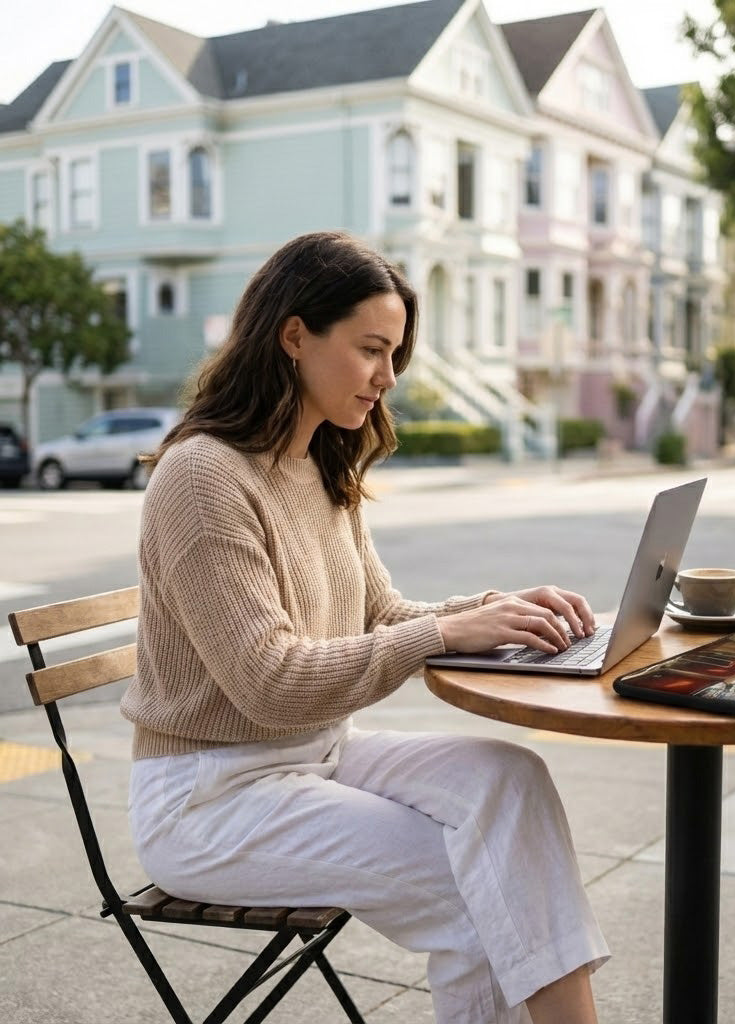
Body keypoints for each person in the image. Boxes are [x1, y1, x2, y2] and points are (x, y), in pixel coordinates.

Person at [120, 230, 609, 1024]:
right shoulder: (204, 477)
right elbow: (269, 682)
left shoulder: (318, 464)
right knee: (479, 893)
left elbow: (382, 615)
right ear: (293, 336)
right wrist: (446, 636)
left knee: (510, 779)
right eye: (372, 349)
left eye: (395, 354)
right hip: (208, 801)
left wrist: (491, 615)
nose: (387, 378)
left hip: (316, 757)